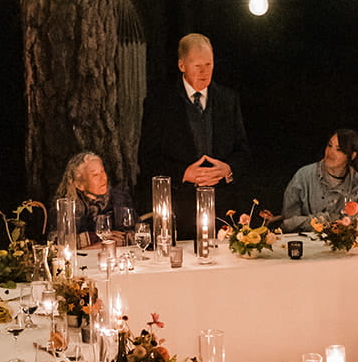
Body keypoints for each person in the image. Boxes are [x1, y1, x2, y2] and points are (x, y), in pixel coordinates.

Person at [139, 33, 251, 240]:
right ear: (182, 65)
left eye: (209, 64)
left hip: (223, 209)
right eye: (197, 65)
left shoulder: (228, 99)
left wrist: (228, 168)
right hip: (179, 209)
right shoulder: (160, 102)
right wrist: (184, 173)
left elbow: (243, 151)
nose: (204, 72)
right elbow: (148, 157)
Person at [281, 129, 358, 232]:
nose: (331, 152)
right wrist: (332, 219)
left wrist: (313, 221)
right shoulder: (304, 175)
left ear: (352, 155)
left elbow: (355, 225)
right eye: (329, 145)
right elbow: (289, 222)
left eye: (339, 149)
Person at [54, 151, 135, 248]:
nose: (103, 178)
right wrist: (97, 241)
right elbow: (58, 243)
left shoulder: (119, 198)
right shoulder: (66, 206)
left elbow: (137, 232)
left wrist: (126, 238)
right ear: (79, 184)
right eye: (95, 175)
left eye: (102, 171)